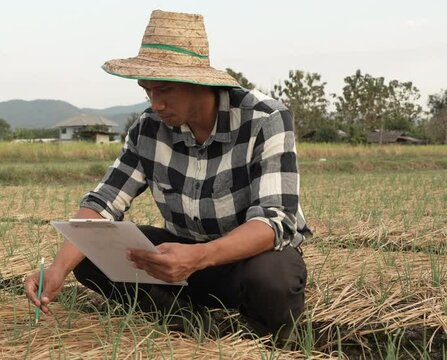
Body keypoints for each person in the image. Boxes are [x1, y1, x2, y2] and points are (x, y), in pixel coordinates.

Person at [25, 9, 310, 341]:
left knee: (272, 280)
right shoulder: (149, 128)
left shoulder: (264, 119)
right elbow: (104, 201)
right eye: (147, 91)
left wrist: (199, 257)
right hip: (180, 259)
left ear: (198, 82)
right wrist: (58, 269)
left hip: (245, 259)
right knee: (89, 250)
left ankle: (263, 337)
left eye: (164, 90)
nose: (155, 103)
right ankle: (188, 321)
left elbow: (274, 220)